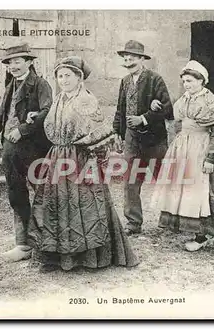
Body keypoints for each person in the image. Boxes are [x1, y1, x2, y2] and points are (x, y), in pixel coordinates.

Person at [27, 56, 139, 272]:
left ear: (79, 77)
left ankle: (88, 258)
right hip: (57, 157)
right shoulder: (59, 99)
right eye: (60, 76)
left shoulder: (86, 100)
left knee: (84, 207)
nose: (63, 80)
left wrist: (92, 163)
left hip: (79, 158)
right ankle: (56, 257)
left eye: (68, 75)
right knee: (55, 205)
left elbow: (99, 133)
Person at [0, 43, 53, 262]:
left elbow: (48, 111)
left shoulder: (40, 84)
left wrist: (23, 130)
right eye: (10, 62)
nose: (13, 66)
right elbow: (1, 116)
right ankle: (23, 245)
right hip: (11, 151)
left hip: (35, 150)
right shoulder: (10, 85)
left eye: (18, 61)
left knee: (43, 193)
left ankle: (49, 243)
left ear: (29, 62)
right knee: (16, 195)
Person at [151, 61, 214, 251]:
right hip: (184, 148)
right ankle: (200, 235)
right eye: (184, 81)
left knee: (211, 194)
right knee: (190, 193)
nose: (187, 85)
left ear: (202, 81)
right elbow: (177, 121)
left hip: (203, 149)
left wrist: (211, 158)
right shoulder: (183, 99)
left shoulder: (211, 103)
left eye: (191, 81)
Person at [113, 40, 173, 236]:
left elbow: (167, 109)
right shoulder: (125, 81)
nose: (127, 59)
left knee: (163, 179)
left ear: (141, 59)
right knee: (130, 181)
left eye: (131, 57)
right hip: (132, 140)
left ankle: (171, 219)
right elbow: (120, 110)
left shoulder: (155, 79)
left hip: (154, 140)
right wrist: (117, 133)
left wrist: (144, 118)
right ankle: (133, 223)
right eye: (125, 57)